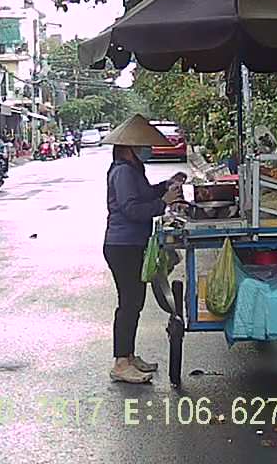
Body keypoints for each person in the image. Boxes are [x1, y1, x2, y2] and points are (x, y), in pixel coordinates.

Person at [101, 114, 187, 384]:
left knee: (135, 302)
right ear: (129, 147)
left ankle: (128, 356)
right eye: (142, 145)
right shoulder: (123, 172)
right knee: (128, 303)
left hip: (131, 244)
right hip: (123, 245)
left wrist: (165, 185)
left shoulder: (132, 170)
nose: (146, 149)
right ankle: (120, 363)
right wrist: (163, 202)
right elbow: (132, 209)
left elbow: (144, 194)